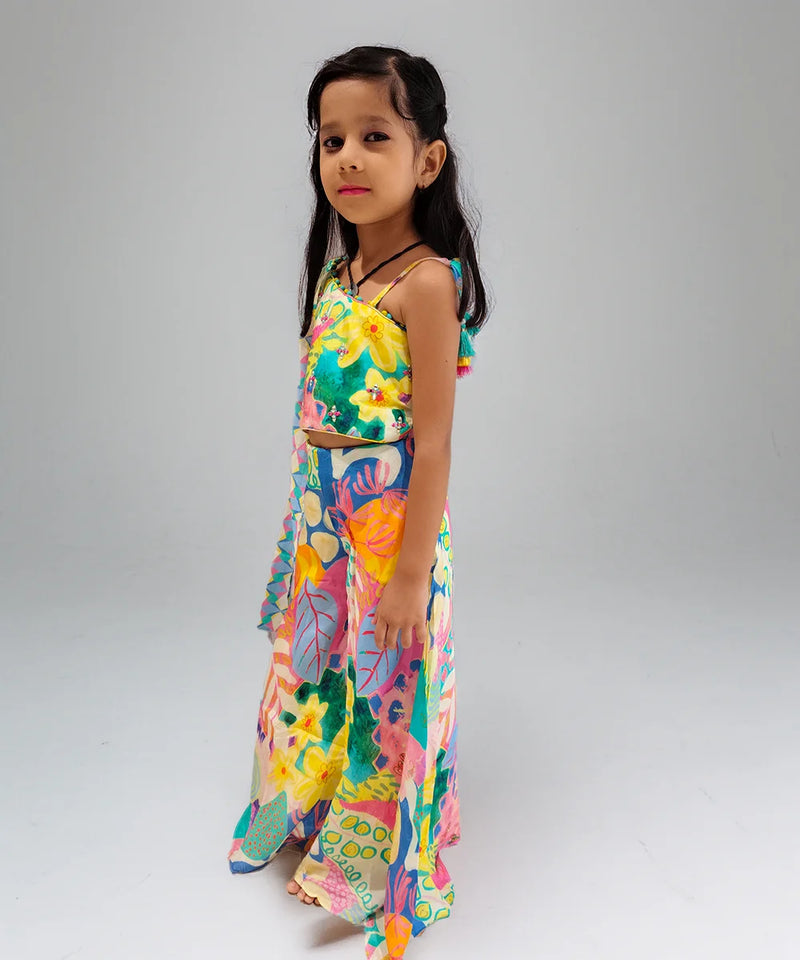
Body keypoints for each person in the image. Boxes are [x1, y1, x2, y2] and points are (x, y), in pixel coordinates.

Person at [227, 44, 490, 960]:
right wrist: (300, 530)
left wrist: (412, 572)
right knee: (315, 669)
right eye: (330, 138)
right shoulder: (340, 278)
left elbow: (435, 443)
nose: (346, 157)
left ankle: (367, 863)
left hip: (388, 526)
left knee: (384, 682)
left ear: (428, 159)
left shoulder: (428, 283)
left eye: (375, 136)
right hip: (320, 521)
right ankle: (308, 806)